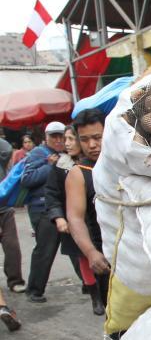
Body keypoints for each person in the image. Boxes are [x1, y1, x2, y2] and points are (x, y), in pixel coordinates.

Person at [66, 109, 109, 315]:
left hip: (141, 253)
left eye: (97, 138)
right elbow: (75, 218)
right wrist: (91, 252)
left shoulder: (126, 164)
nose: (91, 145)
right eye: (84, 140)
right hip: (106, 258)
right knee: (119, 325)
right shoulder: (79, 173)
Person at [20, 121, 66, 303]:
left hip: (62, 207)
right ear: (46, 138)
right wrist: (49, 166)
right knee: (45, 250)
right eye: (53, 136)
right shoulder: (39, 153)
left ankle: (90, 285)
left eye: (60, 136)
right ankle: (34, 290)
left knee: (74, 247)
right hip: (42, 209)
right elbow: (27, 179)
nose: (58, 140)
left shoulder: (66, 153)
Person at [44, 125, 92, 299]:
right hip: (74, 221)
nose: (67, 144)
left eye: (72, 139)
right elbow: (51, 194)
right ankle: (94, 296)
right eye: (66, 140)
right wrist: (59, 217)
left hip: (96, 220)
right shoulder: (60, 165)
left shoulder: (98, 164)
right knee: (83, 257)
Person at [0, 136, 26, 293]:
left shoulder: (2, 156)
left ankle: (15, 280)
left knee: (12, 247)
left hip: (4, 209)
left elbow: (6, 148)